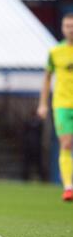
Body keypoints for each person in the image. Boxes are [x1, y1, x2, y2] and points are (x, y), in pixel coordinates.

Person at [37, 12, 73, 202]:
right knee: (66, 143)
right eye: (67, 26)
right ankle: (68, 187)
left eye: (72, 26)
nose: (70, 30)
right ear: (62, 28)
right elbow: (47, 79)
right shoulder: (55, 53)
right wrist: (43, 104)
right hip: (62, 104)